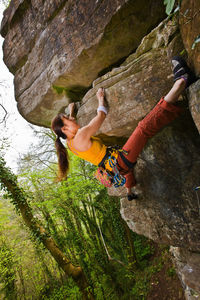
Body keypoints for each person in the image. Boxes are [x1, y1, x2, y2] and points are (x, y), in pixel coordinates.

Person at [51, 56, 196, 201]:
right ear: (64, 130)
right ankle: (181, 82)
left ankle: (129, 192)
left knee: (127, 170)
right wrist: (100, 98)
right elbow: (101, 116)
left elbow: (72, 124)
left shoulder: (70, 143)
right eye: (68, 120)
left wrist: (71, 112)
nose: (71, 119)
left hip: (114, 168)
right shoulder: (81, 134)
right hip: (119, 161)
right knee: (143, 129)